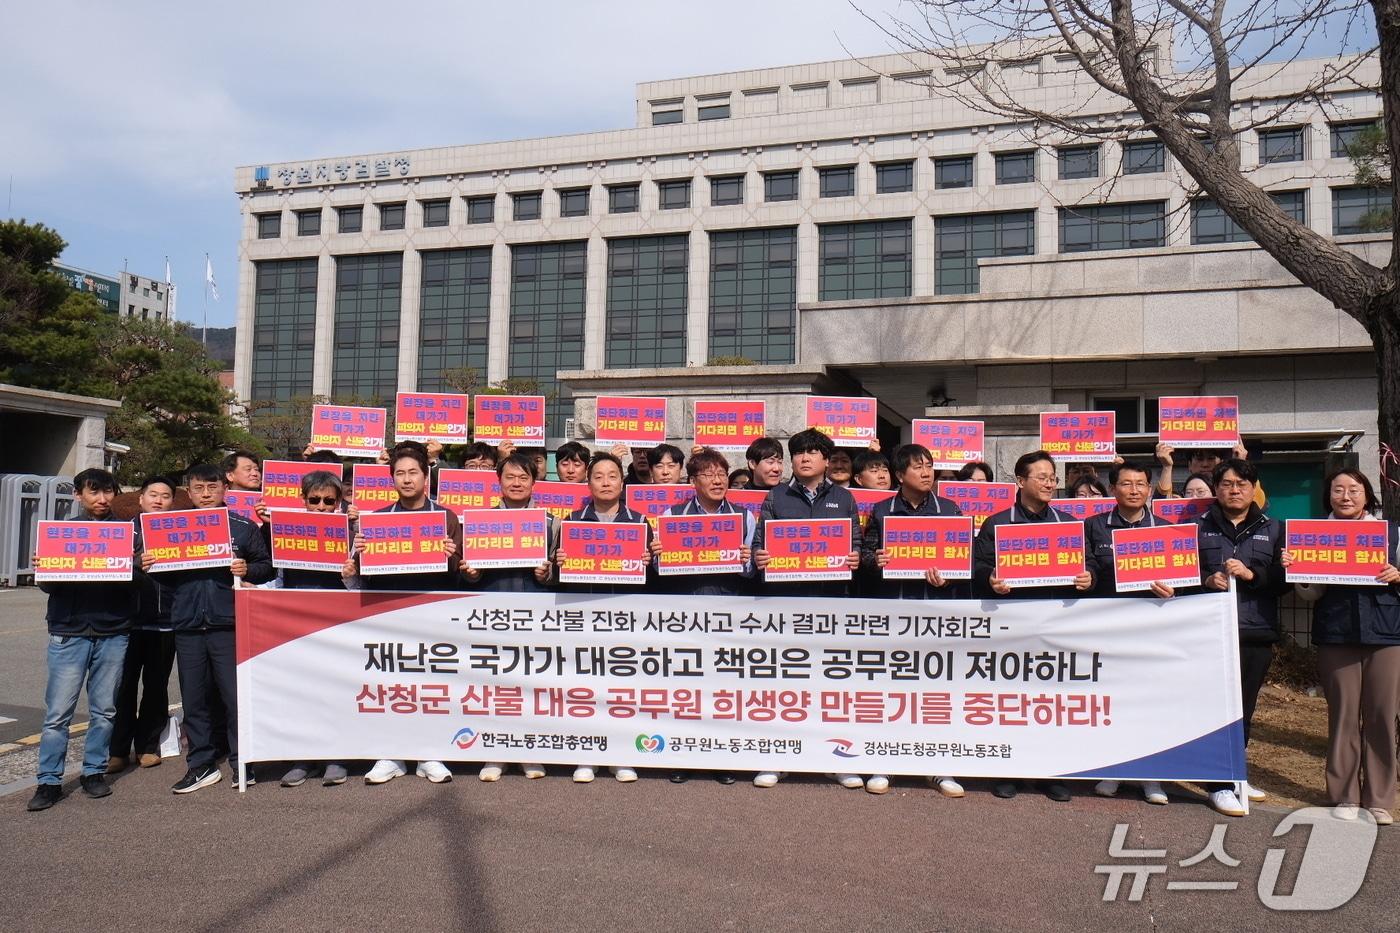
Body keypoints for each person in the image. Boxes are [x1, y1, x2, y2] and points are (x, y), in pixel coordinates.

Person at [972, 450, 1093, 803]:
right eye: (1041, 476)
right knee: (1011, 700)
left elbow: (1090, 566)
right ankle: (1008, 768)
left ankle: (1048, 772)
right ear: (1020, 481)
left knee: (1050, 701)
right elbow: (977, 567)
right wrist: (989, 578)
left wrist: (1090, 577)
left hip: (1055, 625)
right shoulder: (997, 523)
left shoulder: (1069, 523)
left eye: (1052, 477)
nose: (1049, 482)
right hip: (1010, 625)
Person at [1286, 469, 1398, 826]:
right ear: (1329, 496)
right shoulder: (1315, 535)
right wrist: (1299, 570)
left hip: (1386, 634)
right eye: (1338, 490)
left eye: (1354, 489)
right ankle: (1344, 796)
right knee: (1343, 717)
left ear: (1367, 495)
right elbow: (1311, 593)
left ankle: (1380, 798)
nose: (1346, 496)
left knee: (1382, 716)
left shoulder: (1392, 534)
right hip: (1335, 633)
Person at [750, 429, 861, 788]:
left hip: (831, 604)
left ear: (827, 461)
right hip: (786, 605)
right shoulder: (776, 496)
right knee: (785, 685)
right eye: (798, 453)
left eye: (813, 452)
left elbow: (856, 543)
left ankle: (836, 758)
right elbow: (759, 543)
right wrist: (760, 556)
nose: (804, 458)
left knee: (830, 686)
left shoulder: (844, 498)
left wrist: (855, 557)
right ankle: (777, 758)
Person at [156, 463, 274, 794]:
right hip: (188, 623)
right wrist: (150, 565)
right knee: (194, 699)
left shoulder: (241, 526)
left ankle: (242, 762)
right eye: (198, 488)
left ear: (224, 488)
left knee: (235, 697)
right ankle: (202, 764)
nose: (206, 494)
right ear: (188, 491)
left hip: (229, 622)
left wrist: (248, 566)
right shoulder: (172, 528)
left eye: (212, 487)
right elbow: (165, 576)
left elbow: (266, 567)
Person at [351, 442, 462, 786]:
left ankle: (430, 753)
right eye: (400, 473)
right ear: (392, 479)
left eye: (413, 472)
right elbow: (362, 575)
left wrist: (452, 556)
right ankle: (392, 754)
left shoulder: (445, 517)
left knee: (431, 684)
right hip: (390, 615)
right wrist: (359, 555)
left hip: (433, 615)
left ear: (426, 477)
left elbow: (461, 576)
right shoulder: (379, 520)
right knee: (393, 684)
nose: (407, 478)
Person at [860, 444, 967, 799]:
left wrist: (949, 577)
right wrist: (877, 560)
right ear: (900, 474)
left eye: (930, 466)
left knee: (935, 693)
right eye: (918, 467)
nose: (927, 472)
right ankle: (884, 761)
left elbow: (962, 563)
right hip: (894, 612)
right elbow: (863, 557)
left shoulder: (949, 510)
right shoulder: (881, 510)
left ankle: (938, 766)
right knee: (891, 690)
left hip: (935, 613)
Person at [27, 469, 134, 812]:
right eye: (93, 493)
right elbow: (48, 586)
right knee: (58, 713)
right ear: (78, 495)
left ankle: (93, 773)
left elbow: (138, 583)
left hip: (113, 631)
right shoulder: (58, 534)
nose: (102, 499)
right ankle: (48, 781)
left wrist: (139, 565)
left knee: (104, 710)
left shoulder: (127, 534)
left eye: (107, 492)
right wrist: (43, 568)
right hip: (69, 630)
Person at [650, 447, 754, 786]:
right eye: (709, 474)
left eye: (722, 473)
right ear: (692, 481)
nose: (718, 479)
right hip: (686, 615)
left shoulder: (745, 517)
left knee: (724, 690)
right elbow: (657, 570)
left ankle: (723, 759)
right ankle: (683, 757)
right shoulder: (672, 513)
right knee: (687, 690)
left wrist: (747, 560)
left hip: (729, 615)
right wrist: (658, 557)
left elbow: (755, 572)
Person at [1084, 460, 1178, 806]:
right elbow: (1088, 566)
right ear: (1113, 490)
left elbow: (1185, 579)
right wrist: (1089, 578)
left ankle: (1152, 775)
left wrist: (1174, 590)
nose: (1134, 490)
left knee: (1150, 701)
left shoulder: (1167, 530)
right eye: (1126, 484)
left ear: (1150, 490)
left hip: (1152, 629)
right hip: (1107, 627)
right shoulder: (1093, 527)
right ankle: (1114, 767)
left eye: (1141, 484)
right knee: (1113, 700)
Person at [1196, 457, 1285, 817]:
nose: (1235, 490)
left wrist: (1252, 574)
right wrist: (1206, 579)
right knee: (1215, 709)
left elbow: (1285, 582)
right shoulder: (1195, 527)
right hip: (1209, 634)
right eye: (1228, 484)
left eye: (1242, 484)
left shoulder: (1274, 528)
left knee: (1244, 710)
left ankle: (1236, 776)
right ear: (1216, 489)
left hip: (1255, 633)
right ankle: (1218, 783)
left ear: (1254, 489)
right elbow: (1178, 570)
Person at [555, 451, 651, 784]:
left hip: (626, 617)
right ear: (588, 482)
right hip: (586, 616)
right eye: (598, 476)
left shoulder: (639, 522)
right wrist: (561, 561)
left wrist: (649, 562)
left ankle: (622, 753)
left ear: (622, 483)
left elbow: (652, 581)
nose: (606, 482)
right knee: (588, 688)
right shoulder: (573, 521)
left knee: (623, 689)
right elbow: (558, 578)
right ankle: (588, 754)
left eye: (612, 476)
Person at [468, 452, 558, 783]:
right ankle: (497, 752)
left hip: (536, 617)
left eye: (523, 478)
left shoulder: (551, 523)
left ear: (534, 482)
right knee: (497, 687)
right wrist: (472, 574)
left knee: (532, 686)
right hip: (494, 616)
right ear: (499, 482)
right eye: (510, 477)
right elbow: (467, 576)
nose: (516, 483)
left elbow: (563, 574)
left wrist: (548, 574)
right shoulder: (479, 522)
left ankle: (529, 749)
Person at [274, 470, 356, 788]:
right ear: (303, 500)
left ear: (338, 503)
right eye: (314, 500)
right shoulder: (285, 531)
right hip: (297, 623)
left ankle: (337, 758)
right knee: (300, 693)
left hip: (337, 623)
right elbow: (277, 578)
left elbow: (361, 586)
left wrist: (349, 573)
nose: (321, 506)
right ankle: (303, 759)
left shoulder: (351, 535)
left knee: (335, 691)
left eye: (328, 501)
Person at [109, 475, 177, 773]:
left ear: (172, 501)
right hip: (126, 623)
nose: (158, 500)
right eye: (153, 495)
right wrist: (136, 562)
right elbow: (107, 567)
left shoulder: (180, 531)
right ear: (141, 499)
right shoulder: (122, 532)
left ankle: (148, 747)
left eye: (165, 496)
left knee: (156, 687)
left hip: (165, 623)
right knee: (122, 688)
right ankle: (117, 750)